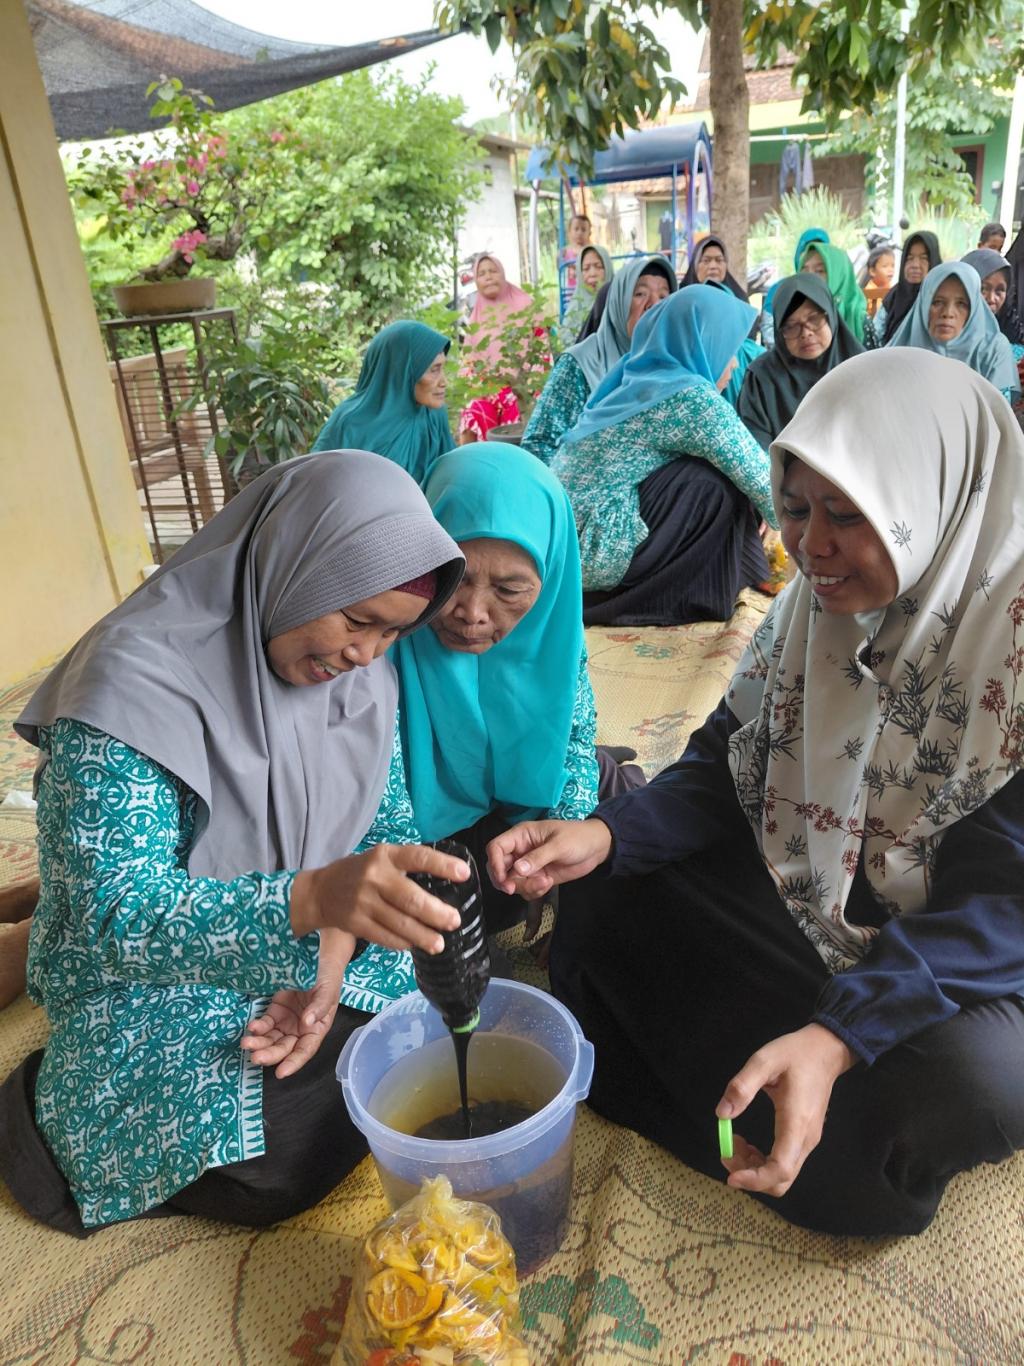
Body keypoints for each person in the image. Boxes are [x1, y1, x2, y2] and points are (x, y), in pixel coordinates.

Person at [487, 349, 1024, 1238]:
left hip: (969, 948)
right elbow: (728, 762)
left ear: (936, 505)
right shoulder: (816, 603)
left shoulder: (1010, 648)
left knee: (977, 1083)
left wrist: (842, 1034)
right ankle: (788, 1108)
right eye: (797, 508)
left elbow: (1006, 909)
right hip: (813, 887)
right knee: (606, 886)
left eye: (847, 515)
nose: (810, 546)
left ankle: (811, 1100)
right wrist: (611, 836)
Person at [0, 452, 468, 1237]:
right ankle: (43, 1099)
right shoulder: (128, 687)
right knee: (278, 1155)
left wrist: (332, 947)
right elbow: (116, 915)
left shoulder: (359, 680)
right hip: (149, 974)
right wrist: (308, 902)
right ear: (297, 568)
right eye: (357, 621)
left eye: (393, 633)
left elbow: (381, 832)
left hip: (304, 931)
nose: (365, 655)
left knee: (459, 970)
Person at [342, 445, 642, 1011]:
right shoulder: (378, 643)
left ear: (550, 580)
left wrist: (557, 850)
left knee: (617, 807)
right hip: (425, 844)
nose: (473, 613)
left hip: (511, 839)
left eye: (509, 590)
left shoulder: (555, 638)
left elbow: (573, 739)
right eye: (451, 577)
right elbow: (382, 818)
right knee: (447, 960)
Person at [551, 285, 776, 627]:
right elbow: (762, 479)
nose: (732, 363)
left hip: (562, 542)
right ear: (700, 342)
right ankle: (677, 599)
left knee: (706, 471)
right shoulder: (687, 394)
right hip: (594, 549)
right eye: (727, 348)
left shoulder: (637, 375)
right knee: (713, 486)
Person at [521, 255, 676, 466]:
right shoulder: (581, 363)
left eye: (664, 296)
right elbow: (538, 445)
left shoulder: (671, 364)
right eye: (640, 294)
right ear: (619, 302)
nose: (654, 305)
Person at [311, 321, 453, 484]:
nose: (444, 382)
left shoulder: (432, 415)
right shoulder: (350, 424)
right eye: (434, 370)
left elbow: (449, 477)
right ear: (402, 371)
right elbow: (319, 485)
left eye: (442, 368)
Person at [738, 273, 863, 450]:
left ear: (831, 315)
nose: (806, 333)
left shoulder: (861, 369)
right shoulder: (761, 378)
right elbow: (755, 448)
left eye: (814, 319)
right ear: (779, 332)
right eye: (791, 326)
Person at [886, 260, 1020, 402]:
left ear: (974, 308)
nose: (948, 313)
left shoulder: (993, 350)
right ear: (924, 304)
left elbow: (998, 410)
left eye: (961, 304)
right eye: (937, 302)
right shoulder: (901, 349)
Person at [458, 253, 544, 443]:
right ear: (476, 281)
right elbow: (468, 364)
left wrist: (530, 382)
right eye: (481, 274)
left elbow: (543, 350)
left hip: (524, 386)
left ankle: (510, 459)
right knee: (473, 410)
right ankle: (471, 460)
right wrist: (479, 388)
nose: (488, 277)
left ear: (503, 274)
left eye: (492, 271)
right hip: (489, 390)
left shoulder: (526, 306)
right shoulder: (476, 319)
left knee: (518, 411)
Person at [760, 227, 829, 348]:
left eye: (819, 270)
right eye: (806, 251)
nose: (811, 274)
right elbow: (769, 332)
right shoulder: (780, 290)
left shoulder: (837, 292)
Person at [877, 230, 941, 344]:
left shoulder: (940, 298)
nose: (915, 265)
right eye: (909, 258)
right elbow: (876, 334)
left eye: (924, 258)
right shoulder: (894, 296)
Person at [961, 247, 1024, 364]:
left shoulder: (1010, 334)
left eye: (999, 290)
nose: (991, 299)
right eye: (983, 289)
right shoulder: (945, 332)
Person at [801, 242, 869, 344]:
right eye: (804, 271)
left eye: (819, 271)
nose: (810, 277)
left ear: (838, 276)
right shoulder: (795, 314)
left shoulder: (858, 318)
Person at [557, 244, 613, 349]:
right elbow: (565, 344)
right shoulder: (575, 307)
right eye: (586, 269)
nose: (592, 274)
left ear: (608, 268)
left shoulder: (617, 302)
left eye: (598, 266)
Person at [681, 234, 748, 299]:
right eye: (706, 260)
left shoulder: (739, 299)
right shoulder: (682, 298)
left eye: (719, 260)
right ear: (695, 266)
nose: (713, 266)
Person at [559, 213, 592, 290]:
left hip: (587, 289)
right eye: (576, 229)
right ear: (569, 232)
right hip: (570, 290)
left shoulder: (590, 250)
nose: (579, 233)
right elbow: (560, 268)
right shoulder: (566, 251)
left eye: (583, 230)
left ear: (589, 233)